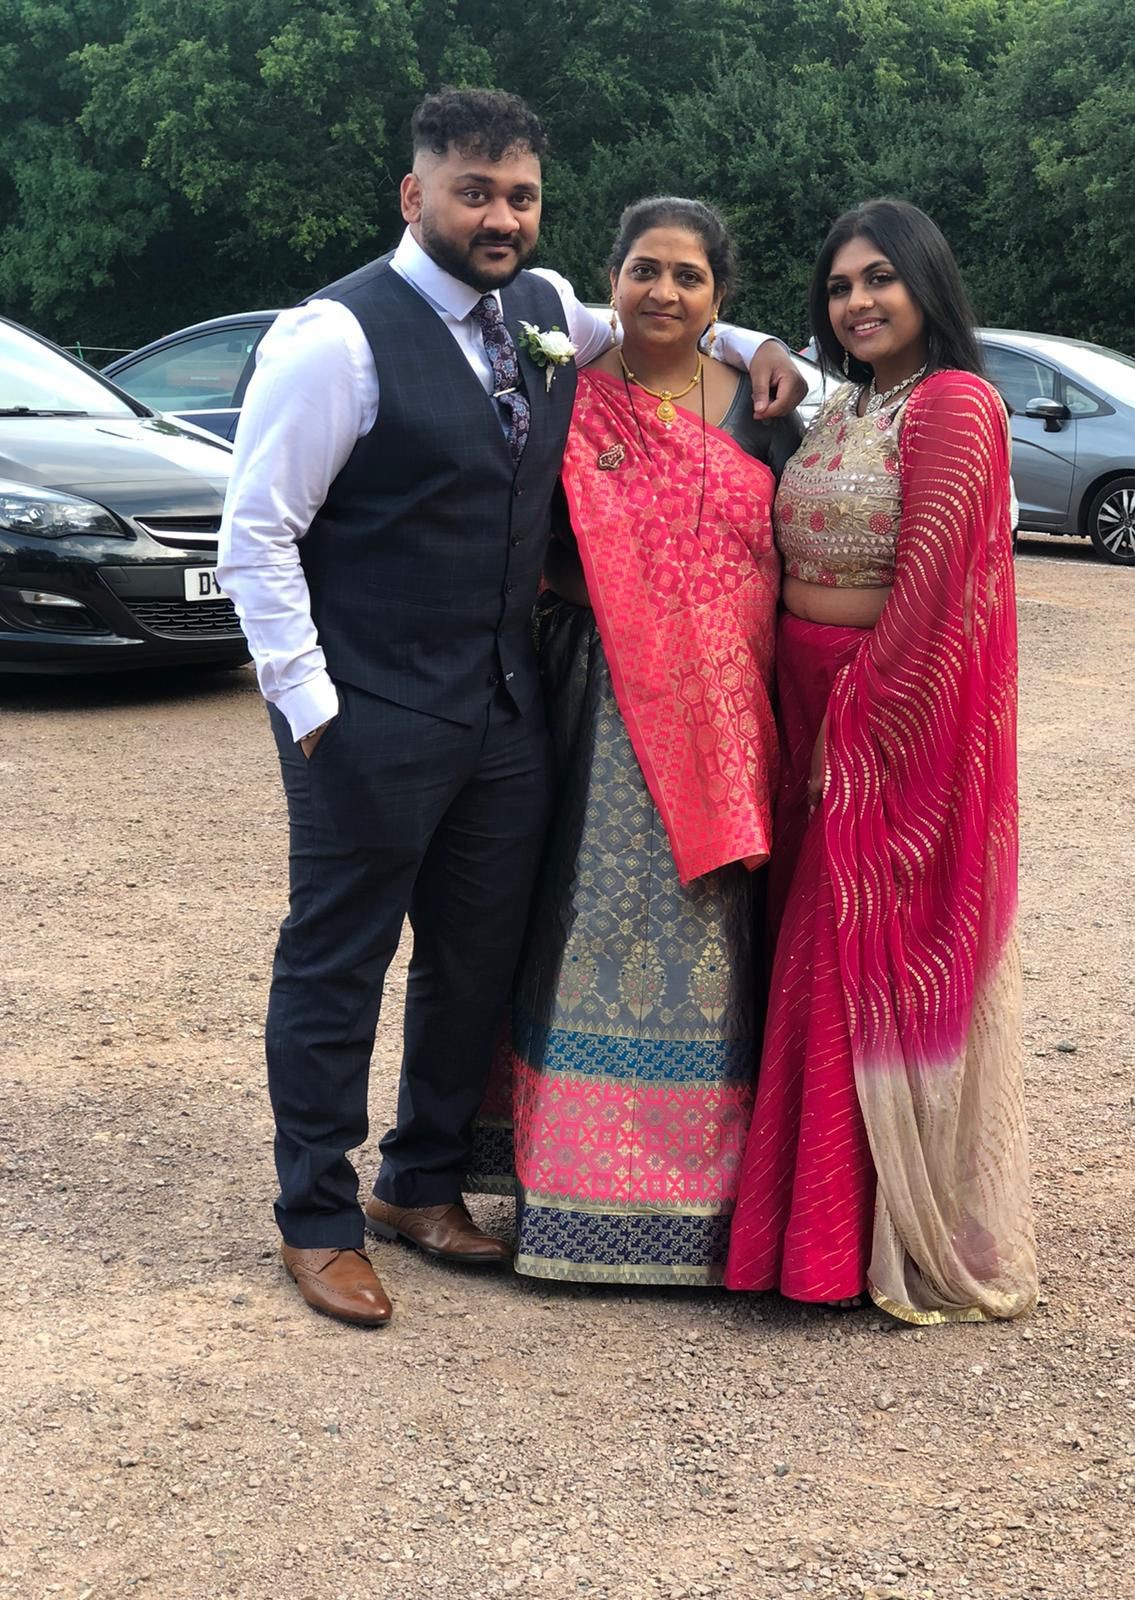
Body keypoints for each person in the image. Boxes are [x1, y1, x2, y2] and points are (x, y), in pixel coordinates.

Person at [216, 88, 805, 1327]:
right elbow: (257, 536)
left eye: (521, 195)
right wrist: (313, 707)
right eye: (472, 191)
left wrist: (757, 347)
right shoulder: (335, 337)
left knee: (474, 956)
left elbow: (655, 317)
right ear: (414, 194)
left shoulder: (538, 313)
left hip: (502, 708)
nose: (499, 215)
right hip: (368, 709)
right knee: (340, 959)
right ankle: (314, 1215)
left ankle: (418, 1181)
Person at [468, 198, 801, 1285]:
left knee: (708, 932)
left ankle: (694, 1206)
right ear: (608, 279)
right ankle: (561, 1195)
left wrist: (768, 349)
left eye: (690, 277)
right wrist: (603, 598)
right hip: (589, 696)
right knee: (571, 913)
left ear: (722, 295)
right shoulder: (567, 386)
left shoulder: (765, 408)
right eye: (645, 270)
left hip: (724, 713)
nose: (665, 292)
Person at [725, 199, 1038, 1324]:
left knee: (844, 956)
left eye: (878, 281)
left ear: (926, 287)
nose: (856, 302)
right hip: (803, 694)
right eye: (840, 286)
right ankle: (796, 1230)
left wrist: (857, 733)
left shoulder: (956, 404)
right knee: (802, 948)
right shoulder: (851, 403)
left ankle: (834, 1243)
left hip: (879, 712)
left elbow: (935, 587)